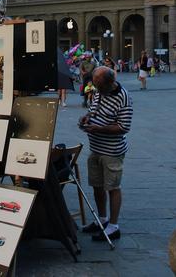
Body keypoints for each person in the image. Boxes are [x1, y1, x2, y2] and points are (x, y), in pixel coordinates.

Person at [79, 67, 132, 242]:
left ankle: (114, 226)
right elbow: (94, 111)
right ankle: (102, 220)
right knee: (97, 185)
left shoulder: (123, 97)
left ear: (110, 83)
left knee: (113, 187)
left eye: (99, 87)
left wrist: (99, 128)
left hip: (112, 151)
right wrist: (87, 118)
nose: (97, 90)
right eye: (96, 86)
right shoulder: (99, 92)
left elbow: (124, 126)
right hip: (95, 148)